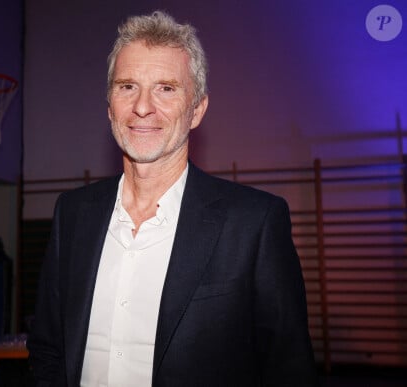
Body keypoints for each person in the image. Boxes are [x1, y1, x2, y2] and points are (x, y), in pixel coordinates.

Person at [27, 10, 317, 386]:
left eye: (166, 88)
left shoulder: (253, 222)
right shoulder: (72, 213)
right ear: (109, 105)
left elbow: (288, 370)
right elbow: (48, 347)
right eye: (127, 86)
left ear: (196, 110)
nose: (143, 106)